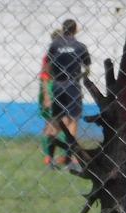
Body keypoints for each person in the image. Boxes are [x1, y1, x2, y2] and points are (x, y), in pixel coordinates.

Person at [47, 19, 91, 171]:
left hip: (58, 84)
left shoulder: (54, 45)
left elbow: (49, 66)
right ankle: (70, 159)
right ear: (76, 29)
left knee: (55, 121)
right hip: (73, 84)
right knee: (72, 121)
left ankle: (51, 159)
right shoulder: (80, 46)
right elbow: (87, 68)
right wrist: (81, 77)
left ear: (63, 28)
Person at [39, 30, 62, 167]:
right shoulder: (50, 56)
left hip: (58, 89)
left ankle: (51, 156)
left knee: (57, 125)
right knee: (51, 125)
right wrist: (47, 96)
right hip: (51, 90)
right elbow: (45, 77)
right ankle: (48, 157)